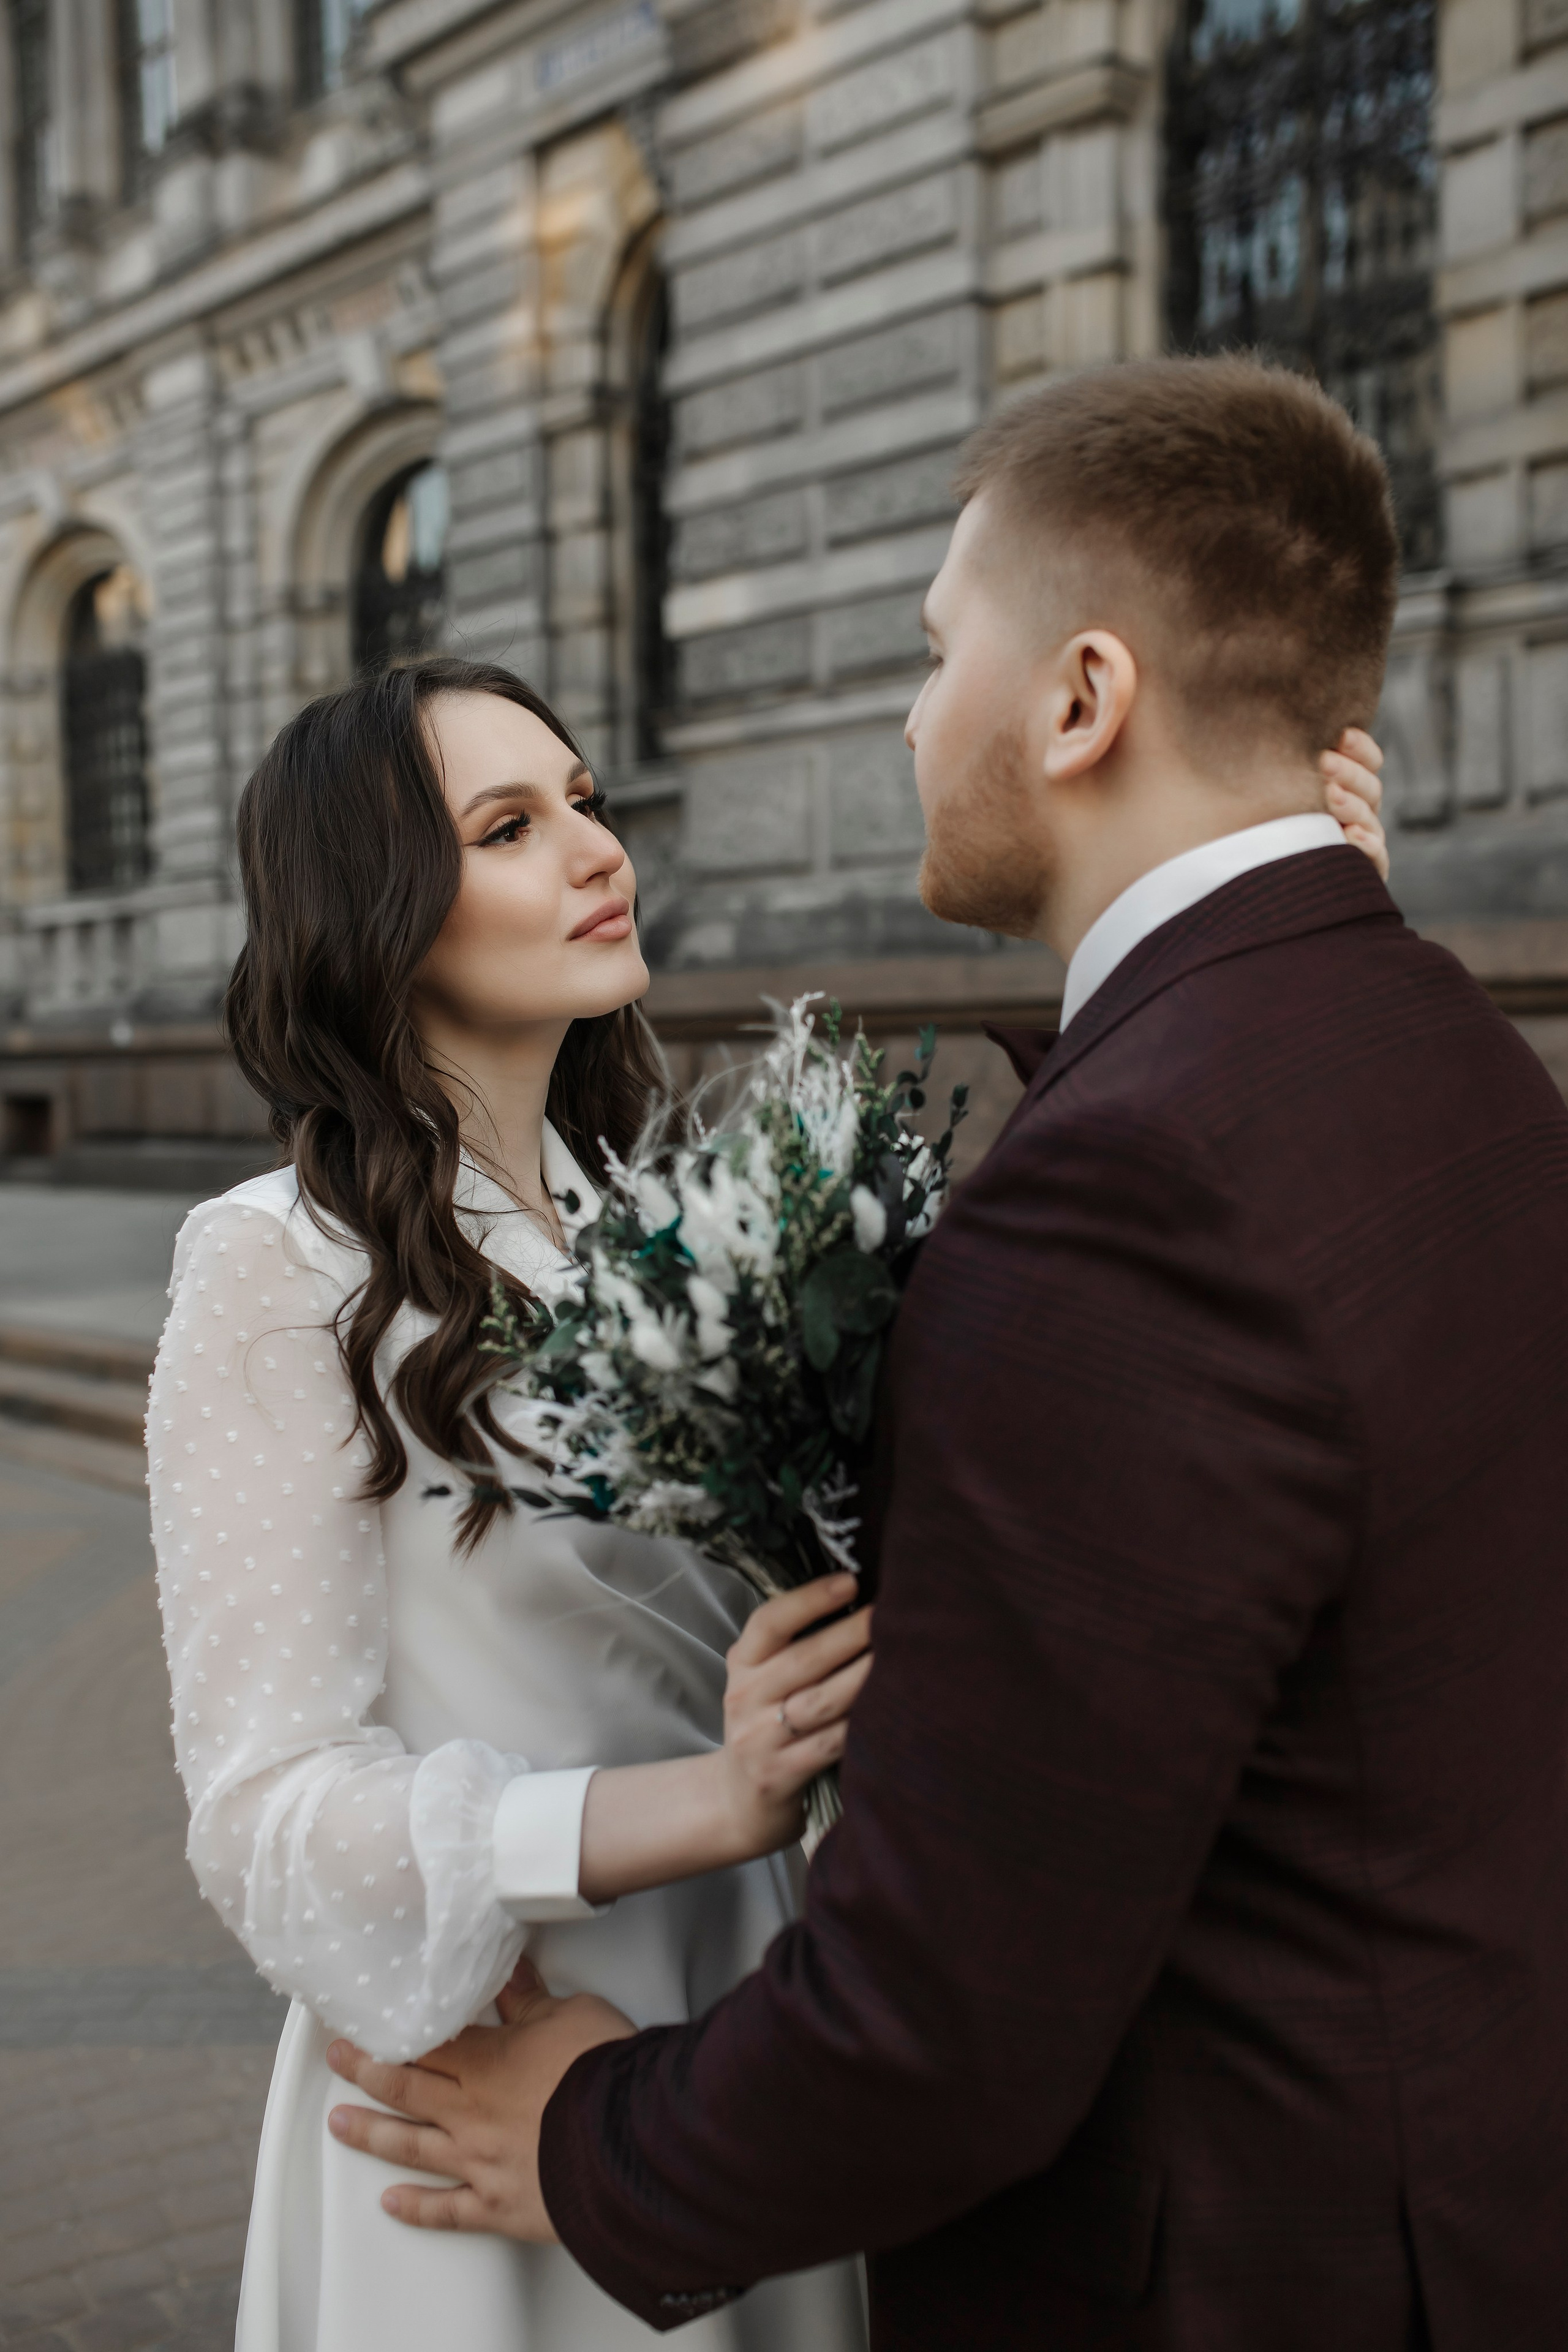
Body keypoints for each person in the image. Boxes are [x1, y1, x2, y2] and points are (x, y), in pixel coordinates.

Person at [325, 356, 1568, 2351]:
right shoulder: (1453, 1058)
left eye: (932, 651)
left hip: (1232, 2260)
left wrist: (588, 2133)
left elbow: (950, 2023)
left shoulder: (1127, 1198)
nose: (911, 716)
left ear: (1080, 700)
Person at [149, 658, 879, 2352]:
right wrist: (704, 1805)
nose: (593, 846)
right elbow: (262, 1808)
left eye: (586, 800)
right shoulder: (275, 1264)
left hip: (751, 2029)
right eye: (508, 824)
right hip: (492, 2051)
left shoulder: (671, 1229)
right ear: (383, 910)